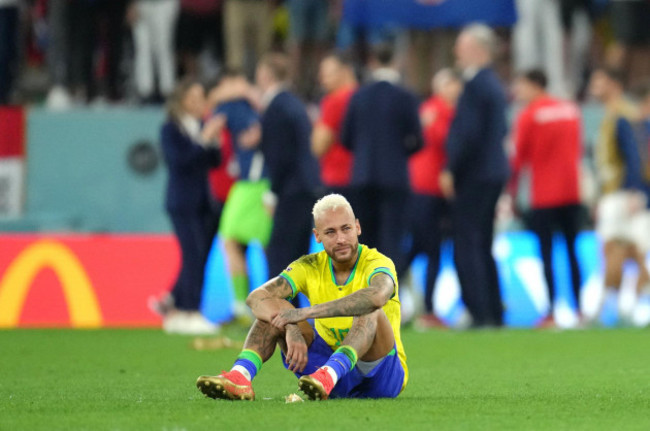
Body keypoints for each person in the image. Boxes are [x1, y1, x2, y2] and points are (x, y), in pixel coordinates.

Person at [196, 194, 407, 401]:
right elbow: (256, 297)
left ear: (357, 227)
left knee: (369, 309)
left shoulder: (378, 262)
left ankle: (330, 373)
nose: (341, 239)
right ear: (317, 235)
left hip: (381, 376)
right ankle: (240, 376)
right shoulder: (309, 266)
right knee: (274, 309)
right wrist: (291, 326)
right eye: (330, 232)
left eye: (346, 229)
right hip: (326, 369)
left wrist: (304, 313)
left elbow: (377, 296)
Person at [442, 24, 510, 328]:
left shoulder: (475, 85)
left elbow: (467, 133)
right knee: (483, 242)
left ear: (477, 50)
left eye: (461, 46)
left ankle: (479, 310)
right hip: (493, 171)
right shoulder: (493, 84)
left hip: (475, 174)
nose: (456, 52)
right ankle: (493, 310)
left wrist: (450, 168)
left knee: (467, 242)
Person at [510, 69, 584, 327]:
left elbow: (519, 158)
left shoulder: (529, 115)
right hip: (572, 190)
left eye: (521, 85)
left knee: (547, 254)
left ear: (533, 85)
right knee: (574, 251)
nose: (518, 92)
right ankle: (580, 311)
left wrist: (511, 193)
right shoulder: (570, 110)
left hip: (544, 194)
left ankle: (552, 312)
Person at [341, 43, 423, 272]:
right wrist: (398, 154)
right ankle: (390, 299)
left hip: (362, 177)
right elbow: (418, 139)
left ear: (373, 62)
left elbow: (345, 138)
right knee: (392, 241)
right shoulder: (405, 96)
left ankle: (366, 300)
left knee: (365, 243)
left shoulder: (358, 96)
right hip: (395, 178)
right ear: (396, 62)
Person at [158, 78, 225, 335]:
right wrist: (203, 139)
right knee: (193, 255)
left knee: (198, 256)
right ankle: (191, 311)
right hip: (181, 202)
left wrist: (213, 141)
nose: (201, 104)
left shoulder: (199, 125)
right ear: (184, 101)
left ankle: (178, 310)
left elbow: (213, 161)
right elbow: (180, 162)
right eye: (195, 98)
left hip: (202, 202)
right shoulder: (171, 129)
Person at [209, 69, 272, 323]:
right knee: (233, 240)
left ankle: (260, 308)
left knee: (256, 244)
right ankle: (245, 308)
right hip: (250, 184)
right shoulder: (238, 105)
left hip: (259, 184)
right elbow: (212, 103)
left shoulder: (258, 103)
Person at [589, 67, 650, 324]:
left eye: (598, 81)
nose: (593, 86)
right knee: (629, 251)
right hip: (616, 193)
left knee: (618, 249)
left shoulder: (625, 115)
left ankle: (607, 307)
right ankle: (623, 305)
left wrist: (636, 190)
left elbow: (635, 155)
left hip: (623, 193)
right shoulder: (614, 114)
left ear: (613, 84)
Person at [256, 52, 323, 279]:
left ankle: (284, 312)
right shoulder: (295, 103)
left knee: (280, 255)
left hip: (290, 190)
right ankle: (297, 313)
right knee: (298, 257)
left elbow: (279, 155)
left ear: (266, 75)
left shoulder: (276, 107)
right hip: (306, 187)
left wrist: (273, 192)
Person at [406, 68, 462, 329]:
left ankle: (384, 293)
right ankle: (427, 309)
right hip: (427, 188)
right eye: (450, 84)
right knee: (433, 249)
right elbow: (445, 141)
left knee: (421, 247)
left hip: (431, 189)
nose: (455, 89)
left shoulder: (434, 112)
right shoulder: (437, 111)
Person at [311, 52, 357, 197]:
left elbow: (319, 146)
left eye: (326, 74)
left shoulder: (334, 101)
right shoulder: (364, 98)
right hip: (359, 177)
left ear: (345, 71)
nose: (321, 79)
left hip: (336, 178)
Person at [130, 0, 180, 104]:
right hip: (142, 4)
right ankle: (145, 91)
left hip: (164, 4)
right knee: (142, 48)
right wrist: (132, 4)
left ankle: (167, 91)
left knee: (164, 48)